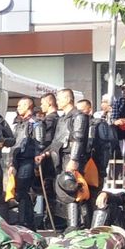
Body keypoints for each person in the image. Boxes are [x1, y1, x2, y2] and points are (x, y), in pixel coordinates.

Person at [38, 88, 91, 230]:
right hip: (60, 158)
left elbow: (78, 139)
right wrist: (45, 154)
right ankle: (70, 224)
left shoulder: (79, 116)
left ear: (68, 99)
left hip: (71, 158)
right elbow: (56, 141)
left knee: (72, 190)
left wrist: (74, 159)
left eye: (60, 98)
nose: (58, 101)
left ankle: (75, 225)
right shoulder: (62, 119)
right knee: (64, 192)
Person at [8, 97, 41, 230]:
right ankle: (25, 220)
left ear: (28, 106)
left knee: (23, 190)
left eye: (21, 105)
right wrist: (11, 163)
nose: (17, 108)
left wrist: (37, 165)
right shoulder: (18, 124)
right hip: (18, 160)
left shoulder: (35, 122)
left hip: (29, 160)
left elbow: (40, 143)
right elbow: (13, 145)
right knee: (19, 191)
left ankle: (26, 221)